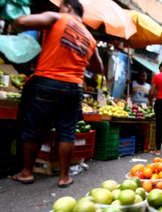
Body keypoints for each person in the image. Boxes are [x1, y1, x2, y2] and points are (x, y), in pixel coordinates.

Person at [12, 0, 103, 187]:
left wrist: (14, 20)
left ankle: (27, 172)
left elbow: (22, 22)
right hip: (74, 88)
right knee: (67, 132)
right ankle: (64, 177)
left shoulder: (57, 18)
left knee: (35, 128)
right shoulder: (89, 37)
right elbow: (99, 67)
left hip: (47, 81)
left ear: (67, 8)